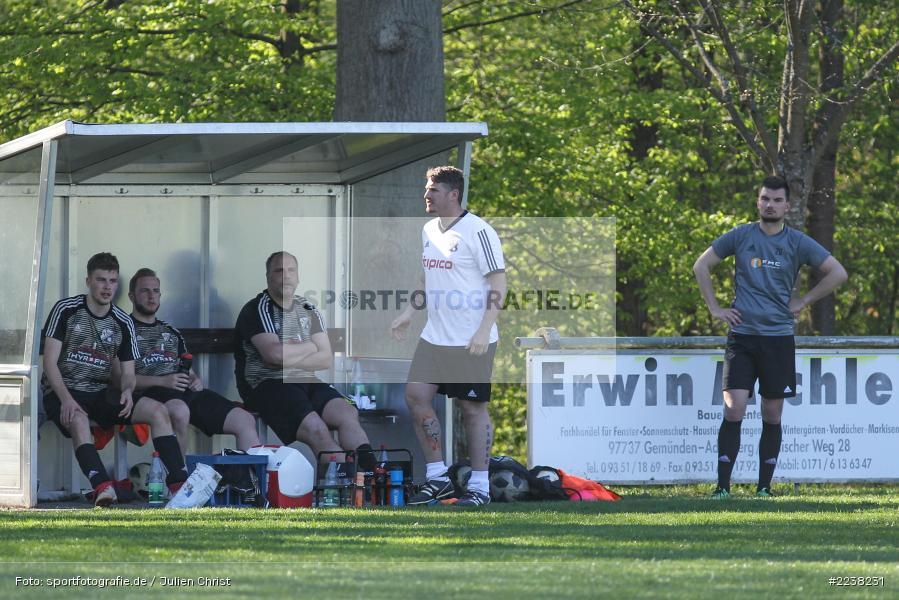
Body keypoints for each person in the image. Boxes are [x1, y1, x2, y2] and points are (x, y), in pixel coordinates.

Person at [693, 175, 848, 498]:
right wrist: (715, 308)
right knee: (734, 408)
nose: (770, 205)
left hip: (778, 339)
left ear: (787, 206)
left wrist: (803, 301)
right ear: (758, 201)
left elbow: (838, 273)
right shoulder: (741, 235)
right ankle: (722, 488)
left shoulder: (797, 242)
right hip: (742, 337)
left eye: (777, 200)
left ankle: (764, 488)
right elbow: (701, 266)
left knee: (772, 413)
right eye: (765, 199)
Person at [391, 166, 507, 507]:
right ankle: (438, 478)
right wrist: (409, 314)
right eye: (427, 189)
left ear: (453, 194)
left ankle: (480, 487)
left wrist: (484, 330)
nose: (426, 195)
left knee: (472, 409)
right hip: (435, 337)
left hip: (471, 340)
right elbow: (425, 277)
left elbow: (499, 283)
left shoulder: (479, 230)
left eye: (433, 190)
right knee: (416, 396)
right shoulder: (428, 229)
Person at [41, 252, 188, 507]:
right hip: (63, 390)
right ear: (88, 281)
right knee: (78, 418)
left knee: (158, 411)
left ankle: (180, 487)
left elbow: (128, 374)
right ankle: (103, 487)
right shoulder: (66, 309)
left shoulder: (122, 321)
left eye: (112, 281)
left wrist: (128, 391)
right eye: (101, 280)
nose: (107, 287)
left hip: (99, 391)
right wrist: (66, 400)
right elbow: (49, 363)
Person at [234, 251, 376, 469]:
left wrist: (290, 352)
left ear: (298, 276)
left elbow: (325, 358)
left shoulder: (308, 308)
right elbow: (274, 356)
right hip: (266, 385)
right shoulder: (256, 309)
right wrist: (310, 346)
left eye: (291, 270)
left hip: (305, 381)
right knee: (316, 428)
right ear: (268, 277)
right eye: (279, 271)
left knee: (347, 412)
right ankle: (345, 482)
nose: (286, 276)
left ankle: (370, 473)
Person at [127, 268, 260, 454]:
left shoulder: (171, 331)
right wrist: (163, 381)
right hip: (150, 394)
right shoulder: (124, 330)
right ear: (131, 296)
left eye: (155, 291)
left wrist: (194, 379)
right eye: (144, 291)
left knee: (244, 420)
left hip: (184, 392)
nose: (151, 296)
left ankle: (250, 473)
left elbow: (187, 368)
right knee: (180, 411)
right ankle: (178, 472)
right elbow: (122, 379)